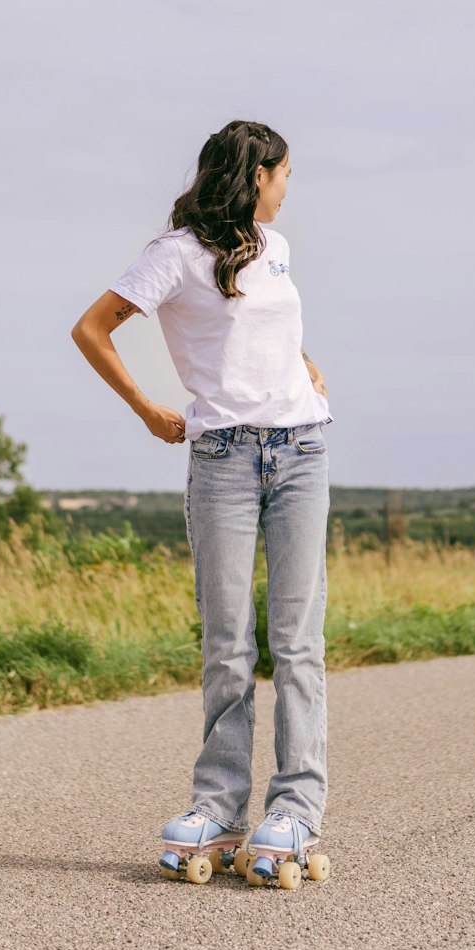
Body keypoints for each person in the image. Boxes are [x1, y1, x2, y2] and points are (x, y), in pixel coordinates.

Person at [70, 119, 333, 884]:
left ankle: (295, 810)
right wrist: (148, 409)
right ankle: (219, 807)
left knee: (295, 642)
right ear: (256, 175)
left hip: (301, 452)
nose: (288, 188)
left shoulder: (275, 248)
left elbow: (269, 329)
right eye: (283, 175)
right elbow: (92, 329)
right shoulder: (175, 256)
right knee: (228, 643)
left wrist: (305, 365)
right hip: (220, 458)